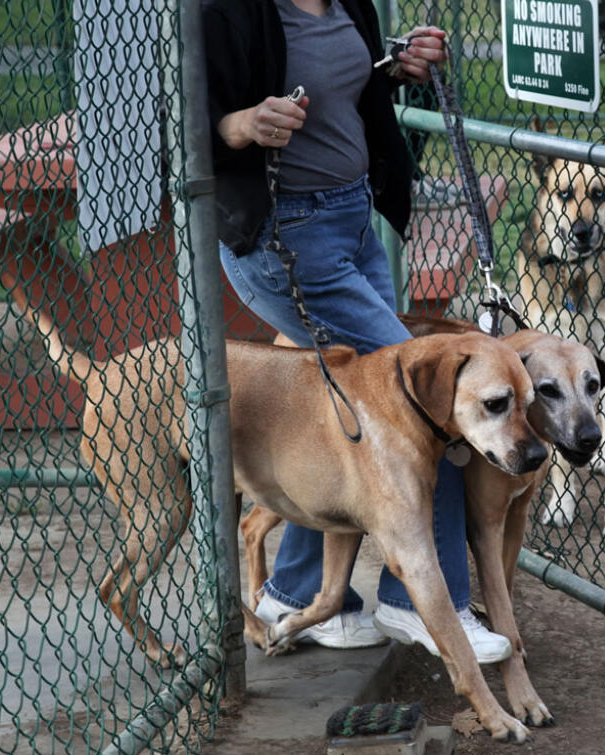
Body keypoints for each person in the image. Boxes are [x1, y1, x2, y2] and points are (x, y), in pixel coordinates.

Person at [202, 0, 510, 663]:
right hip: (285, 240)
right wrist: (243, 124)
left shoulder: (349, 2)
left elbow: (353, 89)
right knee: (433, 404)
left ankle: (299, 594)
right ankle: (428, 606)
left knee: (347, 406)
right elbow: (183, 128)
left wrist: (395, 68)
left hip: (354, 222)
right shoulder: (227, 11)